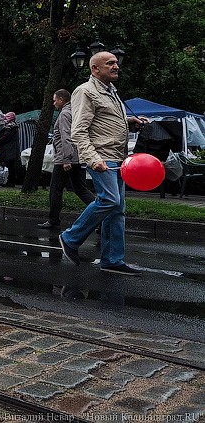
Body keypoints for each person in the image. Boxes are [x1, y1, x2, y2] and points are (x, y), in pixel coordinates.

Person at [59, 52, 148, 276]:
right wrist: (92, 159)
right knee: (109, 199)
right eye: (110, 63)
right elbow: (78, 131)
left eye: (116, 62)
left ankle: (112, 259)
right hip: (101, 156)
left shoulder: (112, 91)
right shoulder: (85, 91)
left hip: (118, 157)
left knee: (118, 209)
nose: (116, 66)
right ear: (95, 69)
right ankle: (70, 237)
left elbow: (105, 119)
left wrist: (130, 122)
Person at [40, 89, 96, 229]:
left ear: (61, 100)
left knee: (55, 189)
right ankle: (101, 215)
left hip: (65, 159)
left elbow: (66, 137)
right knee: (81, 189)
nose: (53, 103)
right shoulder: (76, 111)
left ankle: (53, 221)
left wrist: (66, 159)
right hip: (78, 157)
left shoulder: (65, 114)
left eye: (54, 100)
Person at [0, 112, 21, 186]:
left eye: (6, 117)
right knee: (10, 166)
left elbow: (6, 137)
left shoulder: (11, 127)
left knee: (10, 166)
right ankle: (10, 181)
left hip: (9, 150)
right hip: (10, 150)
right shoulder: (11, 126)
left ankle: (11, 182)